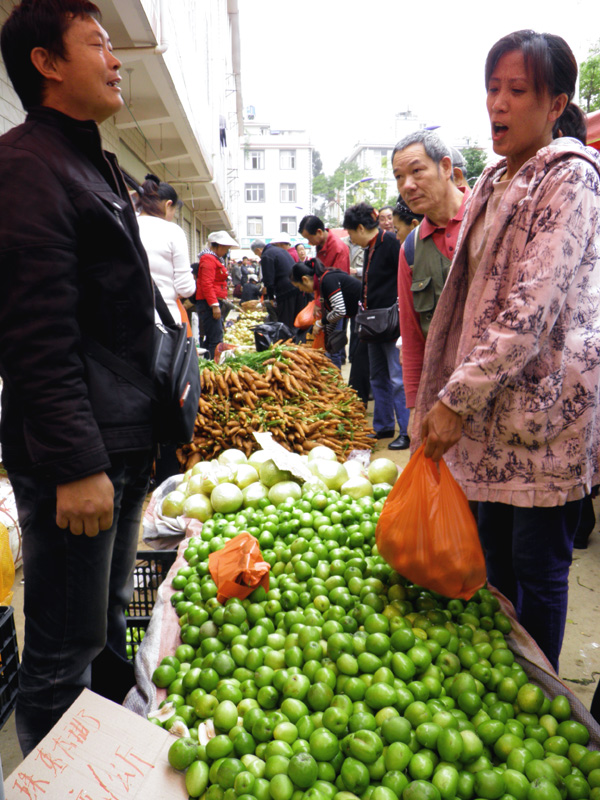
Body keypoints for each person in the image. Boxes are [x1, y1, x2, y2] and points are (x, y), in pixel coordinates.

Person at [0, 0, 158, 754]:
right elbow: (34, 334)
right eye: (98, 42)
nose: (116, 57)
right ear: (47, 63)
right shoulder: (25, 167)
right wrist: (76, 465)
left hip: (117, 442)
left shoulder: (85, 156)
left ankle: (96, 766)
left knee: (100, 632)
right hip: (78, 459)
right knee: (59, 659)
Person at [415, 29, 600, 672]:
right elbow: (468, 300)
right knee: (491, 551)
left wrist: (455, 398)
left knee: (538, 564)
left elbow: (531, 306)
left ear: (554, 104)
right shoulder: (495, 178)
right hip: (489, 410)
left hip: (547, 412)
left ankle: (541, 688)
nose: (498, 104)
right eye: (492, 89)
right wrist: (447, 393)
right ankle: (500, 669)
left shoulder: (571, 180)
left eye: (516, 91)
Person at [393, 130, 470, 414]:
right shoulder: (411, 250)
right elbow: (412, 338)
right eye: (399, 176)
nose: (407, 185)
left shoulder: (492, 219)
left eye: (417, 171)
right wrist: (415, 410)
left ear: (446, 167)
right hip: (443, 400)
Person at [343, 202, 410, 449]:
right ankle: (383, 427)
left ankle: (406, 431)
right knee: (377, 377)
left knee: (397, 378)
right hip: (372, 325)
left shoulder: (390, 243)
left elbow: (404, 278)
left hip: (391, 323)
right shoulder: (369, 248)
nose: (350, 239)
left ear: (360, 228)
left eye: (351, 233)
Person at [136, 173, 195, 324]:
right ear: (168, 204)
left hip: (126, 320)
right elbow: (185, 288)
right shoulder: (173, 231)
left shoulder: (125, 224)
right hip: (163, 321)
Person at [291, 259, 362, 365]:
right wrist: (326, 338)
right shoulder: (323, 282)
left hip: (370, 315)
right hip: (361, 315)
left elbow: (339, 311)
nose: (301, 290)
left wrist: (320, 323)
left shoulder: (327, 280)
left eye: (299, 287)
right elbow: (333, 314)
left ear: (304, 279)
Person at [250, 236, 307, 333]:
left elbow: (269, 279)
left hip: (286, 291)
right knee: (298, 322)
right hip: (298, 288)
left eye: (257, 254)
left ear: (258, 250)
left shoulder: (266, 255)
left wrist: (271, 297)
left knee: (286, 323)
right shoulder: (280, 250)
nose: (259, 256)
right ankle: (298, 343)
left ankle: (288, 344)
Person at [196, 230, 238, 359]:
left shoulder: (213, 258)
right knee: (216, 338)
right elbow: (206, 284)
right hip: (208, 303)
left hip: (210, 301)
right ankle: (213, 366)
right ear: (218, 246)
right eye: (226, 248)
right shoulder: (208, 258)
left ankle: (208, 364)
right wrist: (214, 305)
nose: (226, 252)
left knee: (212, 336)